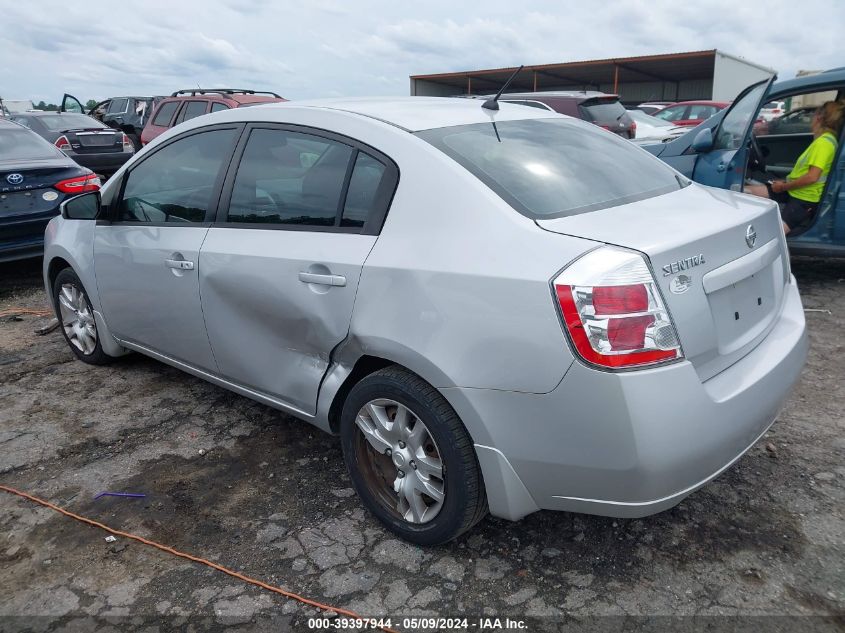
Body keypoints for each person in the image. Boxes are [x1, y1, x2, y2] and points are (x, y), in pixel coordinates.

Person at [746, 100, 844, 234]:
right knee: (745, 191)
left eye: (813, 116)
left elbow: (812, 177)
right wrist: (785, 183)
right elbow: (804, 173)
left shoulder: (824, 144)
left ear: (819, 118)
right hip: (795, 190)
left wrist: (783, 187)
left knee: (772, 235)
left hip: (804, 199)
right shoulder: (825, 140)